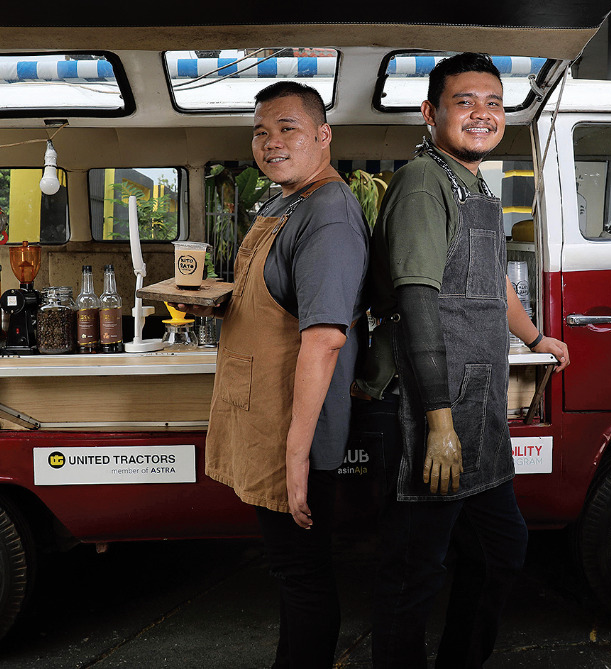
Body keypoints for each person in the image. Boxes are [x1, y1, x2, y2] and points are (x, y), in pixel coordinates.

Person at [357, 52, 571, 668]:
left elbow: (490, 280)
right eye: (465, 102)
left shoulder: (473, 184)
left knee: (500, 549)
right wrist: (440, 424)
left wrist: (534, 338)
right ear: (431, 113)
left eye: (493, 103)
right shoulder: (424, 183)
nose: (482, 114)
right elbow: (416, 302)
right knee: (413, 572)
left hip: (472, 403)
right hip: (426, 408)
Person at [192, 81, 368, 669]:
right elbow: (281, 298)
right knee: (291, 574)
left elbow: (324, 337)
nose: (271, 143)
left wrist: (297, 455)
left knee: (303, 575)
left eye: (287, 128)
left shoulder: (329, 213)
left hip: (295, 429)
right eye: (261, 133)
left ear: (323, 135)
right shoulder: (285, 203)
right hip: (266, 418)